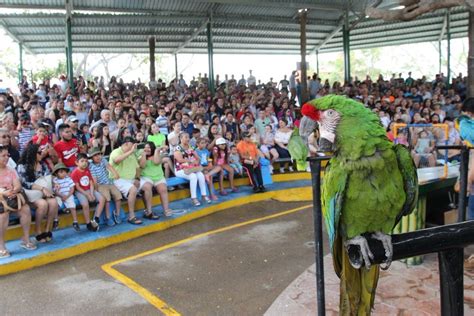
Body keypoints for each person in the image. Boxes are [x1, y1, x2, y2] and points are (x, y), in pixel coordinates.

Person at [0, 145, 37, 258]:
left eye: (7, 155)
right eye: (3, 155)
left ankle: (25, 239)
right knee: (3, 215)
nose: (7, 158)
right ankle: (1, 245)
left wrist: (13, 190)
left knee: (25, 209)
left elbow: (17, 185)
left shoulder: (11, 170)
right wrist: (3, 192)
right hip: (1, 198)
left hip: (12, 197)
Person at [17, 143, 59, 243]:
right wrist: (42, 188)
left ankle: (47, 229)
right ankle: (37, 230)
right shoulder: (22, 166)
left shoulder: (43, 164)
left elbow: (48, 178)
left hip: (44, 192)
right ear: (32, 153)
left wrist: (54, 183)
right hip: (30, 194)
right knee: (43, 204)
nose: (42, 154)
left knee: (53, 202)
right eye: (39, 152)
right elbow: (24, 183)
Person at [109, 136, 148, 225]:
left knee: (147, 186)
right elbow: (117, 160)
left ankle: (148, 212)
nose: (134, 145)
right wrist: (131, 151)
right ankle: (131, 216)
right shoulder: (116, 151)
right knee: (133, 189)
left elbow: (139, 168)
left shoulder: (132, 153)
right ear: (126, 143)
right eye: (132, 144)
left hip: (132, 179)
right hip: (118, 179)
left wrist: (137, 178)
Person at [88, 147, 123, 225]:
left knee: (118, 195)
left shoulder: (103, 160)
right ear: (92, 158)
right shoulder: (91, 166)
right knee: (107, 199)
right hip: (100, 185)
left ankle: (117, 214)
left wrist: (116, 174)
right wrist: (96, 189)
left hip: (108, 182)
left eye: (99, 154)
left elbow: (109, 167)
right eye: (95, 155)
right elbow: (94, 180)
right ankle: (108, 217)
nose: (98, 157)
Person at [174, 133, 211, 206]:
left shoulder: (191, 147)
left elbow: (198, 158)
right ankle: (194, 198)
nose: (188, 139)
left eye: (188, 137)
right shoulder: (177, 148)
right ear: (181, 138)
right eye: (186, 137)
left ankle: (204, 195)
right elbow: (180, 160)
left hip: (191, 168)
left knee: (200, 175)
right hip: (180, 169)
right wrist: (191, 161)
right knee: (193, 176)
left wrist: (196, 161)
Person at [139, 142, 174, 217]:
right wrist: (144, 156)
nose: (147, 149)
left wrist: (156, 151)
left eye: (149, 147)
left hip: (158, 177)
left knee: (163, 189)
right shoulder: (141, 156)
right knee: (147, 187)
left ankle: (166, 209)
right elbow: (142, 165)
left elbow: (156, 162)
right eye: (145, 147)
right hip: (146, 177)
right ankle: (148, 210)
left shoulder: (157, 154)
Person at [71, 154, 104, 231]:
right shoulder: (74, 173)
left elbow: (91, 183)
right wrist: (88, 195)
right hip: (80, 191)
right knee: (85, 204)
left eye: (86, 161)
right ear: (76, 162)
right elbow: (78, 187)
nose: (84, 163)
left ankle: (96, 218)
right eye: (82, 161)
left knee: (102, 199)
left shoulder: (87, 170)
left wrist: (92, 194)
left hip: (89, 189)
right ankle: (88, 223)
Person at [52, 163, 77, 229]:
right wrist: (61, 196)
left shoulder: (68, 179)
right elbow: (55, 191)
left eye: (65, 171)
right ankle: (56, 220)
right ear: (56, 174)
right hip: (59, 196)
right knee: (55, 205)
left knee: (73, 207)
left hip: (68, 195)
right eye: (61, 172)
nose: (63, 173)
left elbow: (72, 189)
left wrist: (67, 196)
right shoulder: (55, 181)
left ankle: (75, 221)